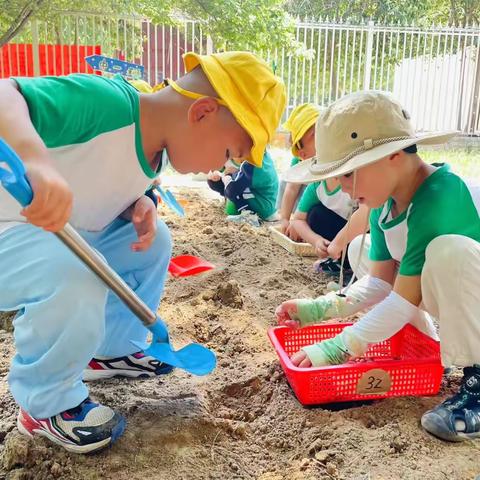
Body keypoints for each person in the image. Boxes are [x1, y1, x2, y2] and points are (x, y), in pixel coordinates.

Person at [0, 51, 285, 453]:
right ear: (202, 112)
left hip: (48, 237)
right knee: (80, 272)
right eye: (227, 154)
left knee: (154, 243)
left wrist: (139, 201)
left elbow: (103, 180)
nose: (220, 167)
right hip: (8, 227)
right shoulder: (109, 104)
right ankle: (44, 403)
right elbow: (5, 94)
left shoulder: (156, 154)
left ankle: (110, 352)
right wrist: (35, 161)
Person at [276, 90, 480, 442]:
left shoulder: (439, 194)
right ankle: (425, 348)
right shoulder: (386, 206)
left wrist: (338, 347)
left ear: (393, 156)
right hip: (445, 300)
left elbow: (402, 300)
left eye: (348, 174)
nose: (344, 188)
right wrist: (319, 309)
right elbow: (381, 284)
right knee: (361, 247)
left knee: (448, 253)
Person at [278, 104, 319, 240]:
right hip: (303, 203)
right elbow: (291, 189)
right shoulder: (299, 160)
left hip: (323, 204)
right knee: (287, 181)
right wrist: (285, 219)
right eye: (315, 134)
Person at [207, 151, 279, 223]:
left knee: (233, 188)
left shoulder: (251, 165)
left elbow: (231, 191)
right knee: (217, 182)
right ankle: (235, 204)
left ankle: (249, 216)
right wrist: (214, 172)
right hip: (270, 205)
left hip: (263, 209)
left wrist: (228, 175)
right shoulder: (263, 156)